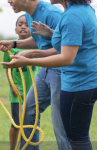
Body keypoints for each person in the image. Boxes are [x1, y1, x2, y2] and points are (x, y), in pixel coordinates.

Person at [18, 0, 95, 149]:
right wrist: (51, 33)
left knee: (75, 138)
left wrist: (29, 60)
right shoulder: (82, 9)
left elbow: (66, 58)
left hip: (78, 83)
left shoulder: (72, 15)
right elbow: (76, 39)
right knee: (77, 137)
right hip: (82, 81)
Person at [0, 0, 72, 150]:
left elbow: (65, 49)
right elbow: (39, 40)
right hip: (44, 69)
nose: (8, 1)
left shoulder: (52, 14)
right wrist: (14, 43)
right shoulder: (29, 15)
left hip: (61, 71)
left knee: (59, 124)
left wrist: (31, 55)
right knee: (28, 111)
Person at [3, 14, 40, 150]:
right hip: (17, 91)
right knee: (17, 123)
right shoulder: (10, 48)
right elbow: (7, 69)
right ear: (15, 30)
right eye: (20, 24)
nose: (23, 27)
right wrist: (12, 86)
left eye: (26, 24)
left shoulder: (38, 46)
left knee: (30, 122)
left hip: (34, 90)